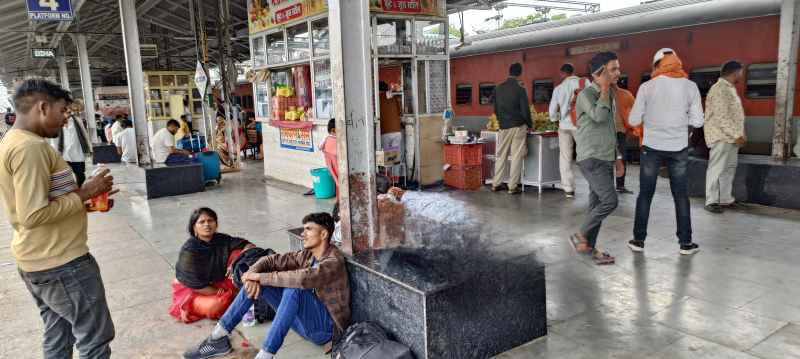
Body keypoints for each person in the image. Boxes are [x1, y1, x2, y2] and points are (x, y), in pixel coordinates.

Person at [0, 79, 116, 358]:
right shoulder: (31, 148)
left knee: (58, 335)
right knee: (94, 340)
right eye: (63, 111)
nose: (66, 119)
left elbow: (39, 203)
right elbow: (33, 214)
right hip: (62, 264)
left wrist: (85, 203)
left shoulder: (15, 141)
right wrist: (84, 193)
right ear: (42, 107)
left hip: (39, 260)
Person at [183, 212, 350, 359]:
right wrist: (252, 275)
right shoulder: (308, 255)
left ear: (323, 234)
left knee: (294, 289)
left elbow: (302, 279)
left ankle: (266, 354)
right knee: (260, 282)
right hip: (304, 324)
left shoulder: (333, 261)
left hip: (326, 329)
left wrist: (260, 277)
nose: (302, 233)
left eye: (308, 229)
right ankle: (218, 337)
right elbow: (271, 260)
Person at [628, 48, 704, 255]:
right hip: (679, 147)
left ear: (656, 66)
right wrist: (678, 123)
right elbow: (698, 121)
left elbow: (633, 120)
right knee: (680, 195)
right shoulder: (690, 87)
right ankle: (686, 243)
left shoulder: (647, 87)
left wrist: (652, 121)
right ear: (677, 62)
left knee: (645, 194)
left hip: (651, 147)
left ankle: (638, 240)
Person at [568, 52, 621, 265]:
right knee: (610, 201)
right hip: (591, 157)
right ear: (600, 73)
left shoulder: (609, 94)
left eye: (618, 68)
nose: (618, 72)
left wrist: (617, 156)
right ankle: (580, 235)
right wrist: (606, 90)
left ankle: (587, 247)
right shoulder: (587, 95)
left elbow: (610, 128)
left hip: (605, 156)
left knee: (596, 204)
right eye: (613, 69)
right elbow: (598, 117)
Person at [170, 207, 256, 323]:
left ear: (216, 224)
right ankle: (232, 297)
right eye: (202, 222)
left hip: (218, 281)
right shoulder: (190, 250)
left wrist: (236, 261)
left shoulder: (221, 239)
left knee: (240, 254)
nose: (207, 225)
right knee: (217, 305)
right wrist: (221, 292)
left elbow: (248, 245)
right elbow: (195, 284)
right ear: (194, 227)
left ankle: (236, 296)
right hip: (195, 290)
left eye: (210, 221)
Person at [703, 60, 747, 213]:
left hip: (731, 137)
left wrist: (739, 134)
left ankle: (725, 199)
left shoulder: (729, 88)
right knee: (716, 169)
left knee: (729, 169)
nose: (742, 74)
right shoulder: (720, 89)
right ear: (735, 72)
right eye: (741, 72)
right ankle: (711, 201)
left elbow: (733, 115)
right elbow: (722, 117)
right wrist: (737, 134)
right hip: (721, 136)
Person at [492, 63, 533, 194]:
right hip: (518, 126)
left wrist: (501, 121)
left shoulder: (498, 88)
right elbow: (525, 110)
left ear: (509, 72)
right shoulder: (520, 89)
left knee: (501, 155)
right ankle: (512, 186)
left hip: (504, 126)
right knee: (516, 156)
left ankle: (496, 184)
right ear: (520, 73)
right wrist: (530, 124)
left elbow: (496, 109)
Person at [548, 63, 588, 198]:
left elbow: (552, 112)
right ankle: (594, 185)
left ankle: (568, 189)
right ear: (573, 72)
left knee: (565, 157)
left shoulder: (559, 88)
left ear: (562, 73)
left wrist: (556, 118)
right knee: (587, 154)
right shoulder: (584, 82)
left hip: (564, 126)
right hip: (581, 125)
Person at [50, 104, 93, 187]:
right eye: (65, 111)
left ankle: (80, 190)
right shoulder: (56, 122)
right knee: (64, 176)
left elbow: (84, 134)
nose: (68, 113)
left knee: (80, 175)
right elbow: (54, 139)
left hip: (77, 153)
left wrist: (89, 148)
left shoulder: (77, 120)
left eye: (69, 111)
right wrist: (55, 153)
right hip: (63, 154)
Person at [614, 87, 637, 194]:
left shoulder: (624, 94)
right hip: (605, 133)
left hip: (619, 132)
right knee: (607, 160)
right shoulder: (599, 93)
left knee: (620, 158)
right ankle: (610, 187)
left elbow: (635, 109)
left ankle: (620, 185)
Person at [319, 118, 338, 196]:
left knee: (337, 182)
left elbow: (320, 147)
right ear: (333, 130)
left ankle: (339, 201)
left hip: (330, 166)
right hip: (337, 165)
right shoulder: (338, 140)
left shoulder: (326, 138)